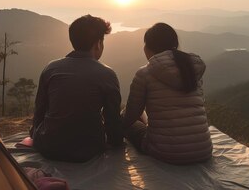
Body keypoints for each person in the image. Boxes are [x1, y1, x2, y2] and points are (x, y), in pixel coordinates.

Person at [31, 15, 123, 162]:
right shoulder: (107, 74)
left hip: (48, 146)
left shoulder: (51, 68)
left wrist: (36, 134)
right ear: (98, 44)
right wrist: (117, 143)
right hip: (89, 149)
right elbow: (112, 120)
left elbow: (39, 111)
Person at [122, 23, 212, 164]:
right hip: (203, 150)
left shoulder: (144, 74)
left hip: (164, 152)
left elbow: (130, 116)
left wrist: (116, 121)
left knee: (131, 126)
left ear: (148, 48)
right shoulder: (192, 71)